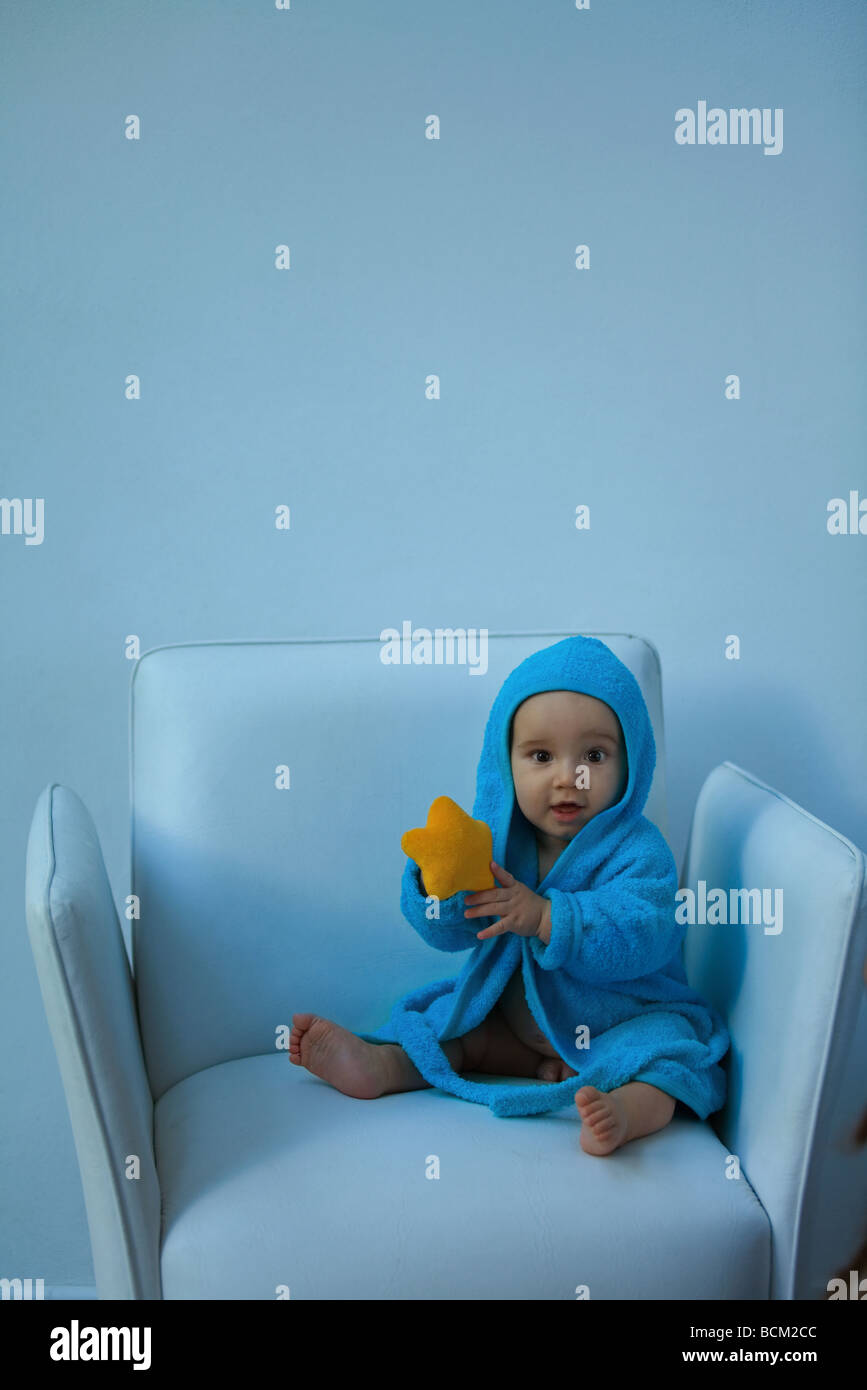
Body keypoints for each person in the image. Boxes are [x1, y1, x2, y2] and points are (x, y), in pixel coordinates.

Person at [290, 634, 729, 1156]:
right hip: (513, 1038)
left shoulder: (638, 851)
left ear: (631, 762)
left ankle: (626, 1111)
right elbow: (450, 932)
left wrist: (549, 917)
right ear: (507, 763)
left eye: (593, 754)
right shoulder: (493, 844)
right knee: (454, 1031)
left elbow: (646, 930)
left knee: (670, 1056)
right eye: (542, 755)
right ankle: (382, 1067)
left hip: (617, 1028)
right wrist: (440, 885)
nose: (569, 777)